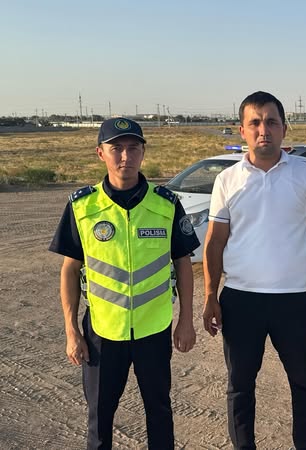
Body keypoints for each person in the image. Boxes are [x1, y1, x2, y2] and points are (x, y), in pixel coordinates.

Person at [49, 117, 200, 449]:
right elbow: (69, 271)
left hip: (154, 329)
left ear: (143, 152)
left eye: (133, 148)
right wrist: (71, 331)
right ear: (100, 153)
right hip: (103, 332)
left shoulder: (166, 204)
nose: (125, 156)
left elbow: (183, 263)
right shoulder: (82, 206)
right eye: (116, 148)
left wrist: (186, 320)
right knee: (100, 416)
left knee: (159, 412)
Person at [202, 91, 306, 450]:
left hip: (293, 298)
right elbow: (215, 242)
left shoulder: (305, 175)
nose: (264, 130)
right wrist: (210, 295)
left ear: (284, 129)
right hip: (241, 300)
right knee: (240, 385)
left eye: (272, 122)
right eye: (255, 123)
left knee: (304, 383)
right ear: (242, 130)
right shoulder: (227, 180)